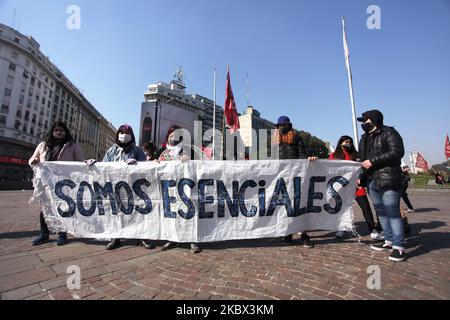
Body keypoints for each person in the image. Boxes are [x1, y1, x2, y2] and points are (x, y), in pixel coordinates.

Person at [358, 109, 407, 262]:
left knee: (392, 211)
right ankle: (389, 240)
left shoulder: (389, 132)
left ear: (373, 120)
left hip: (388, 178)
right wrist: (360, 176)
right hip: (371, 180)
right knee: (381, 212)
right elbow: (362, 159)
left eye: (365, 121)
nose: (363, 124)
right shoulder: (364, 138)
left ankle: (399, 247)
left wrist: (374, 161)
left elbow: (397, 152)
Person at [29, 121, 85, 246]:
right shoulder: (43, 145)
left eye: (61, 130)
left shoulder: (72, 146)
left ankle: (62, 233)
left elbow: (81, 163)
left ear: (65, 132)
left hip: (64, 184)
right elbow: (32, 158)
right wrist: (33, 160)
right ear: (52, 131)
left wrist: (88, 163)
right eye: (56, 130)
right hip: (46, 183)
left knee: (62, 208)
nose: (59, 132)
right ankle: (44, 234)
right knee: (45, 208)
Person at [100, 124, 155, 250]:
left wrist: (137, 163)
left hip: (134, 188)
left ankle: (142, 237)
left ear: (131, 136)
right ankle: (116, 237)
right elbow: (104, 165)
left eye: (127, 133)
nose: (124, 136)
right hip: (116, 187)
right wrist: (94, 164)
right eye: (121, 133)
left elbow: (145, 168)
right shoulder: (111, 150)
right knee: (117, 211)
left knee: (139, 211)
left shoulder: (137, 150)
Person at [156, 125, 202, 254]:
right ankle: (172, 238)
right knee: (171, 215)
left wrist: (190, 160)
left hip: (187, 190)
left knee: (190, 213)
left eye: (176, 136)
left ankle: (193, 239)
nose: (173, 138)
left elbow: (201, 164)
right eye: (171, 136)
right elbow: (152, 165)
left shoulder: (189, 149)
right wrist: (154, 162)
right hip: (168, 191)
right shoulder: (161, 151)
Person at [273, 116, 317, 248]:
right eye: (279, 125)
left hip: (297, 176)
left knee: (301, 205)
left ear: (288, 125)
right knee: (287, 206)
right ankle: (288, 233)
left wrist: (309, 158)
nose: (281, 127)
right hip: (283, 177)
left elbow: (303, 154)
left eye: (283, 125)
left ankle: (304, 235)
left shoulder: (297, 137)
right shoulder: (275, 141)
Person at [329, 136, 383, 240]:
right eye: (346, 142)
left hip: (357, 186)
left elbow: (362, 167)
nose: (348, 143)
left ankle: (372, 229)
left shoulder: (356, 155)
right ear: (341, 143)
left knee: (365, 206)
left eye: (350, 142)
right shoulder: (334, 155)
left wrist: (360, 178)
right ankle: (342, 228)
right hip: (342, 187)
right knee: (342, 208)